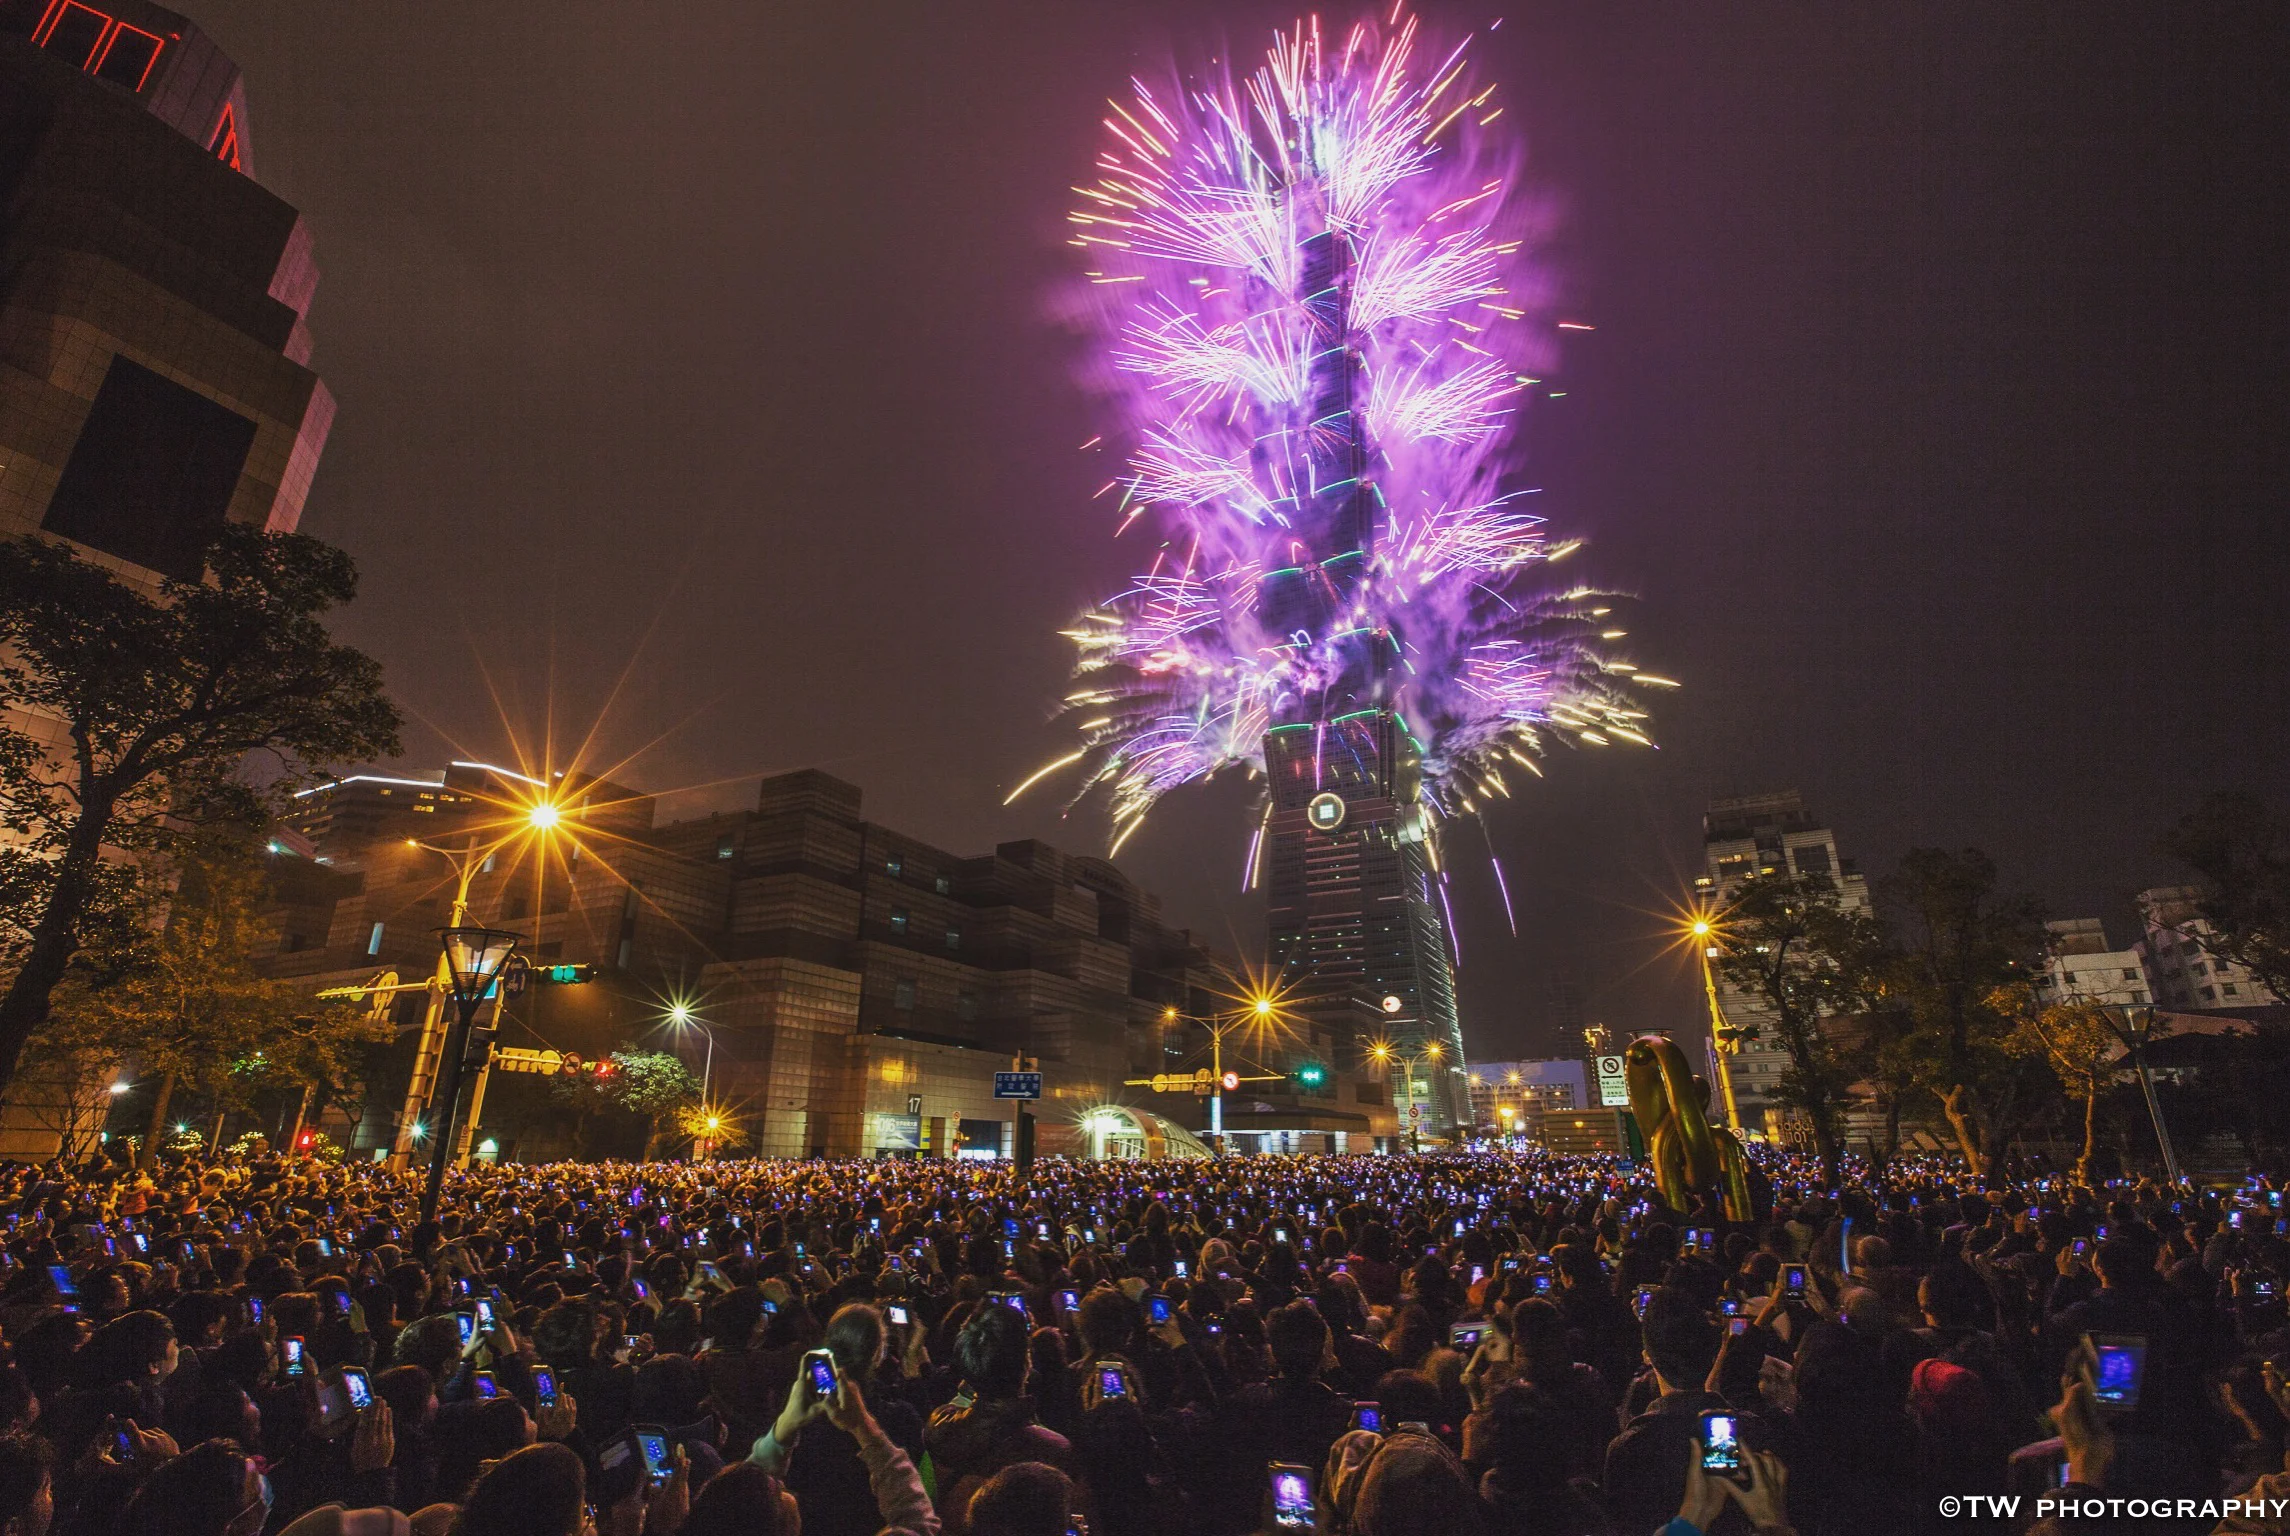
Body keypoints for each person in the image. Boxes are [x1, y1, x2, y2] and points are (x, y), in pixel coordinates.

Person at [746, 1357, 936, 1536]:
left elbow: (746, 1485)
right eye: (779, 1491)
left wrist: (787, 1422)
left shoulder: (736, 1511)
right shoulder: (900, 1415)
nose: (780, 1481)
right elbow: (916, 1519)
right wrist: (863, 1425)